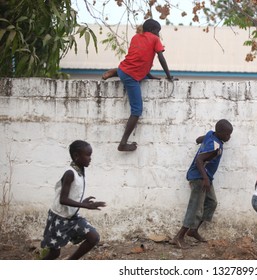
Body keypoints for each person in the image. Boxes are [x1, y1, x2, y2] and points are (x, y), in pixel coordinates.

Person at [102, 19, 174, 152]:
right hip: (131, 76)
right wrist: (169, 76)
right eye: (158, 32)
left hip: (125, 69)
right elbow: (161, 58)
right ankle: (123, 143)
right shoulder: (155, 39)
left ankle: (116, 71)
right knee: (137, 110)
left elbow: (140, 59)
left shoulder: (136, 37)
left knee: (128, 69)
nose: (158, 35)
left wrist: (151, 77)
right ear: (153, 30)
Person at [171, 119, 233, 249]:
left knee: (211, 203)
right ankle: (179, 237)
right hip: (199, 177)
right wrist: (205, 179)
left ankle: (193, 230)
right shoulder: (214, 146)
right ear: (220, 132)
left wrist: (203, 140)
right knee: (195, 208)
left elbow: (198, 139)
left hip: (205, 177)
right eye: (227, 134)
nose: (229, 137)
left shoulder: (211, 134)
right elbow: (199, 160)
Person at [40, 140, 106, 260]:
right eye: (88, 155)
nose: (90, 158)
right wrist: (85, 205)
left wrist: (82, 202)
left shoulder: (80, 171)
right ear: (76, 156)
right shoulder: (70, 173)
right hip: (59, 218)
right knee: (54, 254)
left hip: (72, 217)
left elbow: (71, 195)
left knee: (94, 237)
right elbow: (63, 199)